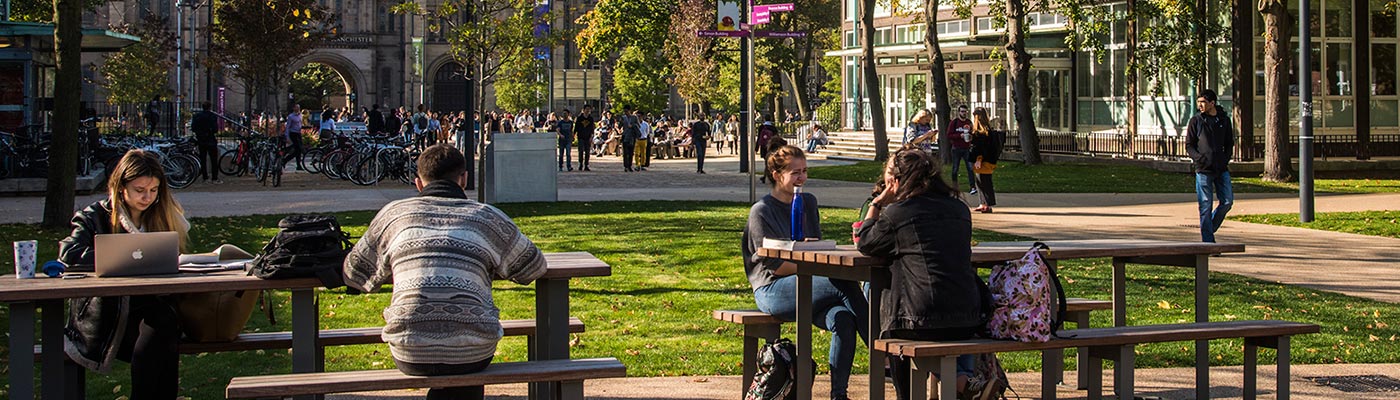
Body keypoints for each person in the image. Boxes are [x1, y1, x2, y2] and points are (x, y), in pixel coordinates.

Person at [344, 144, 547, 400]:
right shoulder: (487, 218)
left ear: (419, 183)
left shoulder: (393, 216)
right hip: (473, 350)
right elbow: (534, 267)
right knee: (466, 347)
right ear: (463, 179)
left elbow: (354, 273)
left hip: (409, 348)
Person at [856, 148, 991, 400]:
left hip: (919, 320)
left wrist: (877, 203)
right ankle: (962, 382)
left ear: (896, 182)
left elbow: (865, 242)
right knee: (937, 312)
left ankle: (907, 395)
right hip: (969, 316)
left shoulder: (899, 213)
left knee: (893, 329)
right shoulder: (959, 209)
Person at [59, 149, 191, 399]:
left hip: (153, 304)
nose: (148, 197)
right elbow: (69, 253)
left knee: (164, 324)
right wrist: (117, 257)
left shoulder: (163, 214)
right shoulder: (94, 216)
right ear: (121, 187)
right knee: (164, 330)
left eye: (153, 190)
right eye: (140, 190)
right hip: (109, 312)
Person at [743, 142, 869, 400]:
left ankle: (839, 395)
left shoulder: (808, 202)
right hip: (773, 289)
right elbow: (775, 267)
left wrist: (811, 258)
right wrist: (810, 263)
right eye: (795, 172)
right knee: (842, 282)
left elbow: (816, 248)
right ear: (778, 175)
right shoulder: (762, 211)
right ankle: (882, 353)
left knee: (844, 319)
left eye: (805, 171)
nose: (802, 177)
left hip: (810, 284)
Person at [1186, 89, 1234, 243]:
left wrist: (1225, 159)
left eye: (1203, 102)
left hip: (1221, 169)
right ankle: (1208, 241)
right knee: (1205, 204)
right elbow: (1189, 145)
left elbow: (1229, 143)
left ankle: (1209, 227)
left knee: (1227, 202)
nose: (1200, 105)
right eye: (1198, 102)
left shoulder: (1224, 120)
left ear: (1212, 103)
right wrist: (1199, 159)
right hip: (1203, 170)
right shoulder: (1196, 121)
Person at [968, 108, 1004, 213]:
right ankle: (983, 202)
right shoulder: (988, 131)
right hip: (988, 160)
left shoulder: (982, 133)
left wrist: (979, 159)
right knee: (980, 181)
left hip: (983, 160)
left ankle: (987, 204)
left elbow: (981, 148)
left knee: (984, 182)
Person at [946, 105, 977, 193]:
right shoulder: (954, 122)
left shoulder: (968, 122)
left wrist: (971, 137)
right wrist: (959, 136)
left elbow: (972, 133)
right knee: (955, 168)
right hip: (956, 148)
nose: (964, 113)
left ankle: (972, 187)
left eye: (965, 111)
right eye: (962, 111)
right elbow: (949, 135)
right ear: (959, 112)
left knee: (970, 168)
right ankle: (954, 186)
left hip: (966, 148)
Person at [191, 102, 221, 184]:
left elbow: (193, 128)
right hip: (210, 139)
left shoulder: (197, 116)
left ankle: (205, 177)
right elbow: (215, 129)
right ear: (209, 107)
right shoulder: (212, 116)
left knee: (203, 159)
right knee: (214, 160)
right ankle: (214, 177)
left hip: (201, 139)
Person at [575, 105, 596, 171]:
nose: (587, 111)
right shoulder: (579, 118)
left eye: (589, 109)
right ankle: (580, 163)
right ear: (583, 110)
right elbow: (576, 127)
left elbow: (592, 128)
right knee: (580, 151)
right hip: (581, 136)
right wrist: (574, 134)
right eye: (586, 109)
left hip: (588, 137)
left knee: (587, 151)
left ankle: (586, 165)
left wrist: (591, 136)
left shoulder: (590, 118)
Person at [285, 103, 305, 170]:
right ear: (294, 108)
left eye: (299, 107)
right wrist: (287, 136)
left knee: (299, 150)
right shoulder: (291, 116)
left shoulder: (300, 115)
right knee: (298, 149)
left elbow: (300, 124)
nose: (298, 109)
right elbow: (288, 127)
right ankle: (286, 160)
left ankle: (297, 164)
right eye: (296, 107)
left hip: (298, 133)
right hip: (293, 133)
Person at [620, 107, 640, 172]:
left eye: (627, 111)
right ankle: (626, 166)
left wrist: (633, 125)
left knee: (631, 152)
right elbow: (620, 126)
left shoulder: (634, 117)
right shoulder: (623, 118)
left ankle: (630, 165)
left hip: (632, 136)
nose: (626, 113)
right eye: (624, 112)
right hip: (625, 136)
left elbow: (638, 125)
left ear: (629, 111)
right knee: (625, 153)